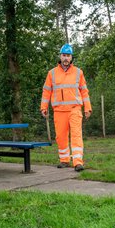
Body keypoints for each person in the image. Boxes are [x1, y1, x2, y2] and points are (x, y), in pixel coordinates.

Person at [40, 44, 92, 172]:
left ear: (71, 57)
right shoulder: (51, 73)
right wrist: (43, 107)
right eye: (64, 55)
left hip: (75, 109)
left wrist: (87, 108)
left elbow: (84, 91)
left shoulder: (78, 72)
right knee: (60, 136)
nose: (66, 58)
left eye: (68, 56)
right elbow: (46, 92)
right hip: (59, 111)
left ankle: (78, 162)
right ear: (60, 56)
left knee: (76, 135)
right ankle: (64, 160)